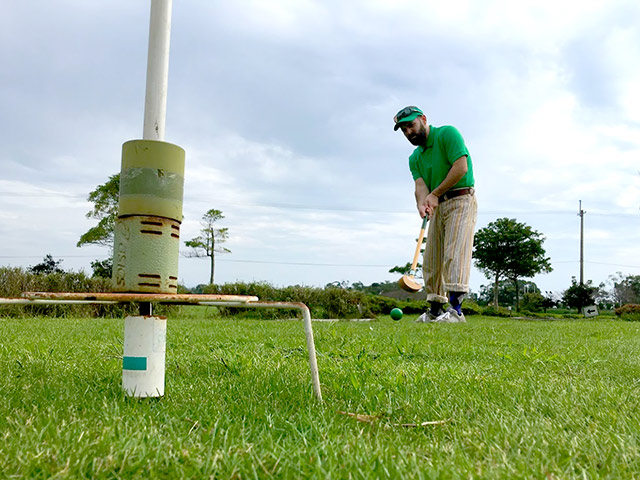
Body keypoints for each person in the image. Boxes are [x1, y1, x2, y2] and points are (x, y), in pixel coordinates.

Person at [393, 106, 477, 323]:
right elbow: (420, 185)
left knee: (454, 252)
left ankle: (456, 310)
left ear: (423, 119)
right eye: (404, 130)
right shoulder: (415, 157)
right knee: (431, 258)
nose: (409, 132)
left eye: (411, 125)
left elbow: (461, 167)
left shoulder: (447, 134)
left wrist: (435, 193)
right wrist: (422, 203)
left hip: (461, 199)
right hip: (437, 205)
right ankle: (435, 310)